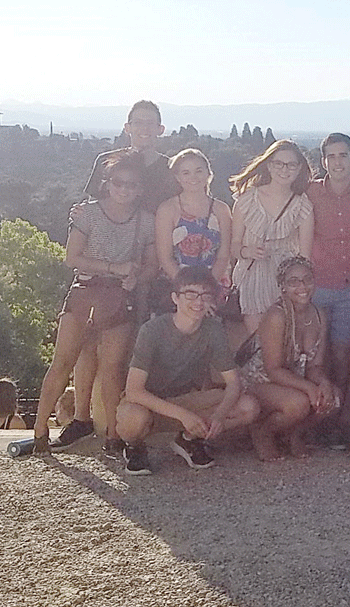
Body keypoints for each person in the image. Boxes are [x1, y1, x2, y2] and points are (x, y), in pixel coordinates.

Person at [71, 100, 178, 452]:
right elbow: (89, 209)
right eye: (138, 122)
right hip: (100, 268)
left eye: (151, 123)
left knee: (131, 345)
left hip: (146, 267)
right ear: (127, 126)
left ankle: (123, 426)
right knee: (88, 345)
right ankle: (81, 419)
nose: (144, 128)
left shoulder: (170, 168)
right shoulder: (107, 161)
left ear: (161, 129)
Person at [33, 151, 157, 454]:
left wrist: (136, 278)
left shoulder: (146, 221)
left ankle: (113, 434)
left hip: (118, 299)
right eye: (118, 182)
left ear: (140, 188)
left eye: (131, 184)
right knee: (63, 362)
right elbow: (72, 258)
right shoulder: (87, 213)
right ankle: (39, 429)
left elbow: (152, 265)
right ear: (107, 183)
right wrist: (115, 268)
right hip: (84, 293)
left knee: (112, 370)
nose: (124, 189)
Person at [116, 266, 259, 475]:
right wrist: (184, 416)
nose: (198, 302)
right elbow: (134, 391)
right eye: (190, 294)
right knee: (134, 418)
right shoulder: (152, 330)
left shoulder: (213, 330)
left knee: (248, 406)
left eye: (205, 295)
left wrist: (219, 416)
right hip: (149, 403)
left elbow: (233, 382)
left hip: (187, 399)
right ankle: (134, 446)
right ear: (175, 298)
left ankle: (189, 438)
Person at [240, 257, 340, 461]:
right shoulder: (277, 316)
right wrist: (309, 388)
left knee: (334, 398)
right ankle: (263, 432)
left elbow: (315, 365)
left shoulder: (319, 315)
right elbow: (273, 370)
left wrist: (323, 383)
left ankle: (294, 433)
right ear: (283, 286)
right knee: (299, 403)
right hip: (260, 381)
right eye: (293, 281)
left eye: (307, 279)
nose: (302, 286)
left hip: (292, 381)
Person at [306, 133, 350, 394]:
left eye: (343, 156)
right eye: (331, 156)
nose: (338, 162)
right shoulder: (310, 191)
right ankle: (314, 407)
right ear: (323, 161)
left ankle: (340, 407)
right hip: (317, 285)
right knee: (311, 354)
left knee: (342, 354)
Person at [230, 140, 314, 333]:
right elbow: (233, 245)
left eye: (291, 165)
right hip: (252, 277)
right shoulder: (247, 200)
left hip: (285, 282)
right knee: (257, 340)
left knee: (283, 338)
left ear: (299, 168)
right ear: (268, 165)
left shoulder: (303, 205)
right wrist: (247, 251)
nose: (284, 169)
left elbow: (305, 257)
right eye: (279, 163)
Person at [155, 148, 232, 287]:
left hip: (213, 284)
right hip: (177, 284)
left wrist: (207, 287)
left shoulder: (221, 210)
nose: (193, 177)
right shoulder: (167, 209)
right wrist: (187, 288)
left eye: (199, 171)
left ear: (208, 173)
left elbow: (224, 256)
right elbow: (165, 258)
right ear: (178, 177)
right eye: (186, 173)